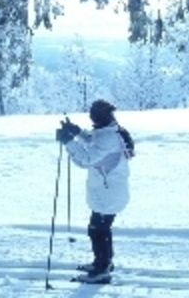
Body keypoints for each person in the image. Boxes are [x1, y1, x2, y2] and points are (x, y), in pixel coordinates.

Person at [56, 99, 134, 284]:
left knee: (97, 230)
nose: (92, 119)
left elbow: (86, 159)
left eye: (93, 116)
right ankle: (103, 262)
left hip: (108, 194)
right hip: (109, 191)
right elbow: (94, 141)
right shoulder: (110, 130)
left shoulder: (108, 136)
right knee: (100, 229)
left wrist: (68, 141)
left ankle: (102, 270)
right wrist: (77, 132)